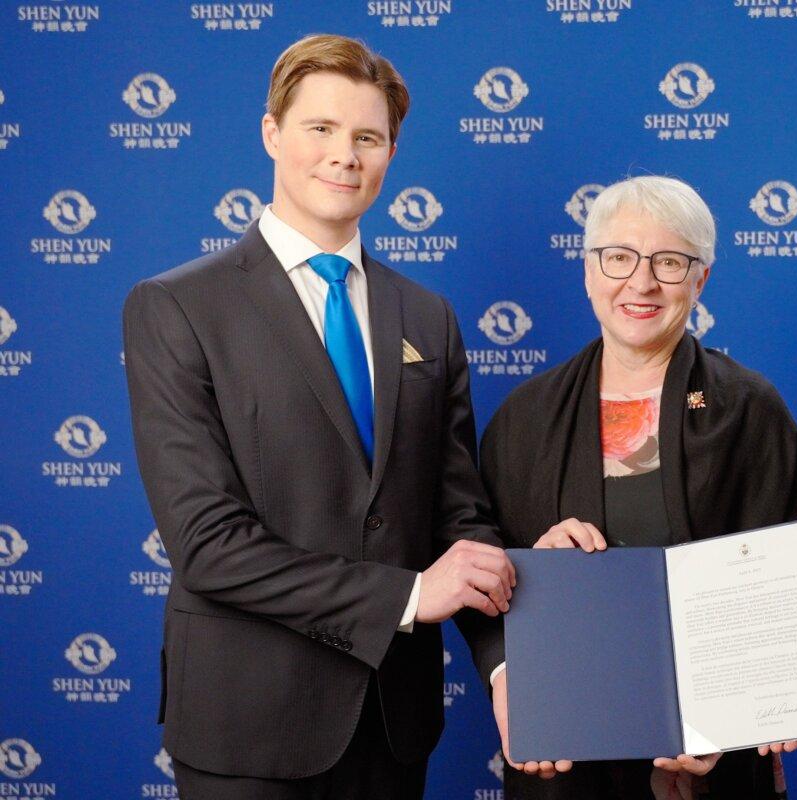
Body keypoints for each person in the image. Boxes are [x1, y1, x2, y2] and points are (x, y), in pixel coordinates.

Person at [123, 34, 521, 799]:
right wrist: (407, 598)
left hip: (395, 727)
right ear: (272, 134)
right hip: (249, 728)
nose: (346, 155)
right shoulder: (177, 307)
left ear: (391, 154)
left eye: (368, 137)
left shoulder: (426, 316)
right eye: (321, 130)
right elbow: (208, 545)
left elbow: (459, 517)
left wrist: (507, 664)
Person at [480, 176, 797, 799]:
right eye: (618, 257)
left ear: (701, 280)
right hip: (566, 763)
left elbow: (796, 587)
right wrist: (532, 573)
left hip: (716, 759)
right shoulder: (523, 419)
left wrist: (740, 716)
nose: (641, 283)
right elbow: (482, 575)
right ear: (588, 270)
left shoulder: (749, 409)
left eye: (669, 261)